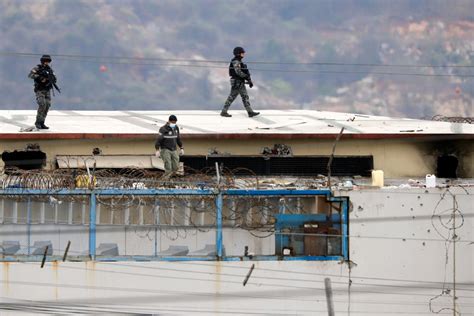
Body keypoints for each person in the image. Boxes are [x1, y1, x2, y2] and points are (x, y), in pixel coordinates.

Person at [220, 47, 260, 118]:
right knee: (236, 97)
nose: (243, 54)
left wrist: (248, 80)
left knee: (242, 97)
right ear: (238, 53)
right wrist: (246, 76)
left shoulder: (239, 61)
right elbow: (238, 72)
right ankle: (224, 111)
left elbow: (242, 72)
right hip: (237, 82)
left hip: (239, 82)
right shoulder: (236, 61)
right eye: (242, 53)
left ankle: (249, 112)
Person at [28, 54, 60, 129]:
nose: (47, 63)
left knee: (47, 105)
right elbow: (30, 75)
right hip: (40, 89)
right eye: (45, 61)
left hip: (47, 89)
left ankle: (42, 122)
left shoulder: (50, 70)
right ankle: (38, 122)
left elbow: (55, 78)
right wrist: (40, 77)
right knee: (42, 104)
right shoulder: (38, 68)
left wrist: (52, 79)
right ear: (42, 61)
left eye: (48, 61)